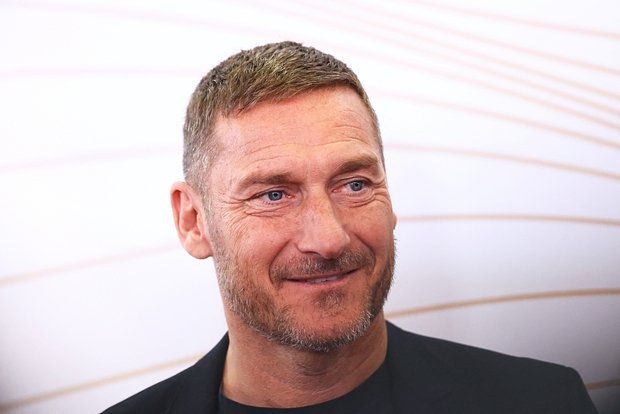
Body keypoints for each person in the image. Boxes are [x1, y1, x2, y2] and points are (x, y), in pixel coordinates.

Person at [103, 41, 596, 413]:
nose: (329, 238)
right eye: (273, 195)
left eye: (355, 185)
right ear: (193, 222)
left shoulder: (543, 401)